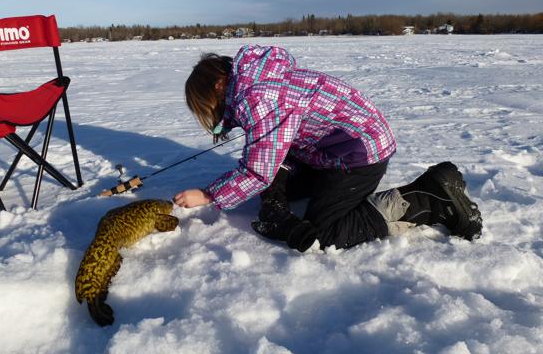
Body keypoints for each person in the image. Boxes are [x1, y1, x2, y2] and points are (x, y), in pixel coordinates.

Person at [173, 45, 482, 252]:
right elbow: (268, 152)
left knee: (325, 234)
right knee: (277, 171)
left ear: (217, 87)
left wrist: (210, 194)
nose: (211, 116)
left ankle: (428, 196)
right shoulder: (258, 83)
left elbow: (257, 170)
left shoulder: (259, 98)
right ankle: (276, 208)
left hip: (359, 154)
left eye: (208, 108)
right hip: (330, 149)